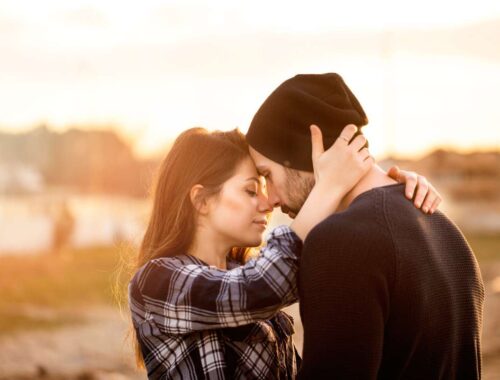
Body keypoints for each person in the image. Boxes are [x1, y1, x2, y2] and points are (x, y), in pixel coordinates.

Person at [128, 123, 437, 379]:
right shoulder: (157, 281)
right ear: (201, 201)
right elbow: (261, 287)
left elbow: (340, 266)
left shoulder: (249, 270)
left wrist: (390, 193)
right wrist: (328, 186)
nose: (267, 203)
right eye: (250, 190)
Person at [246, 72, 484, 379]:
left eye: (267, 174)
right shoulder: (446, 229)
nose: (271, 198)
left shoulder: (340, 242)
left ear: (304, 152)